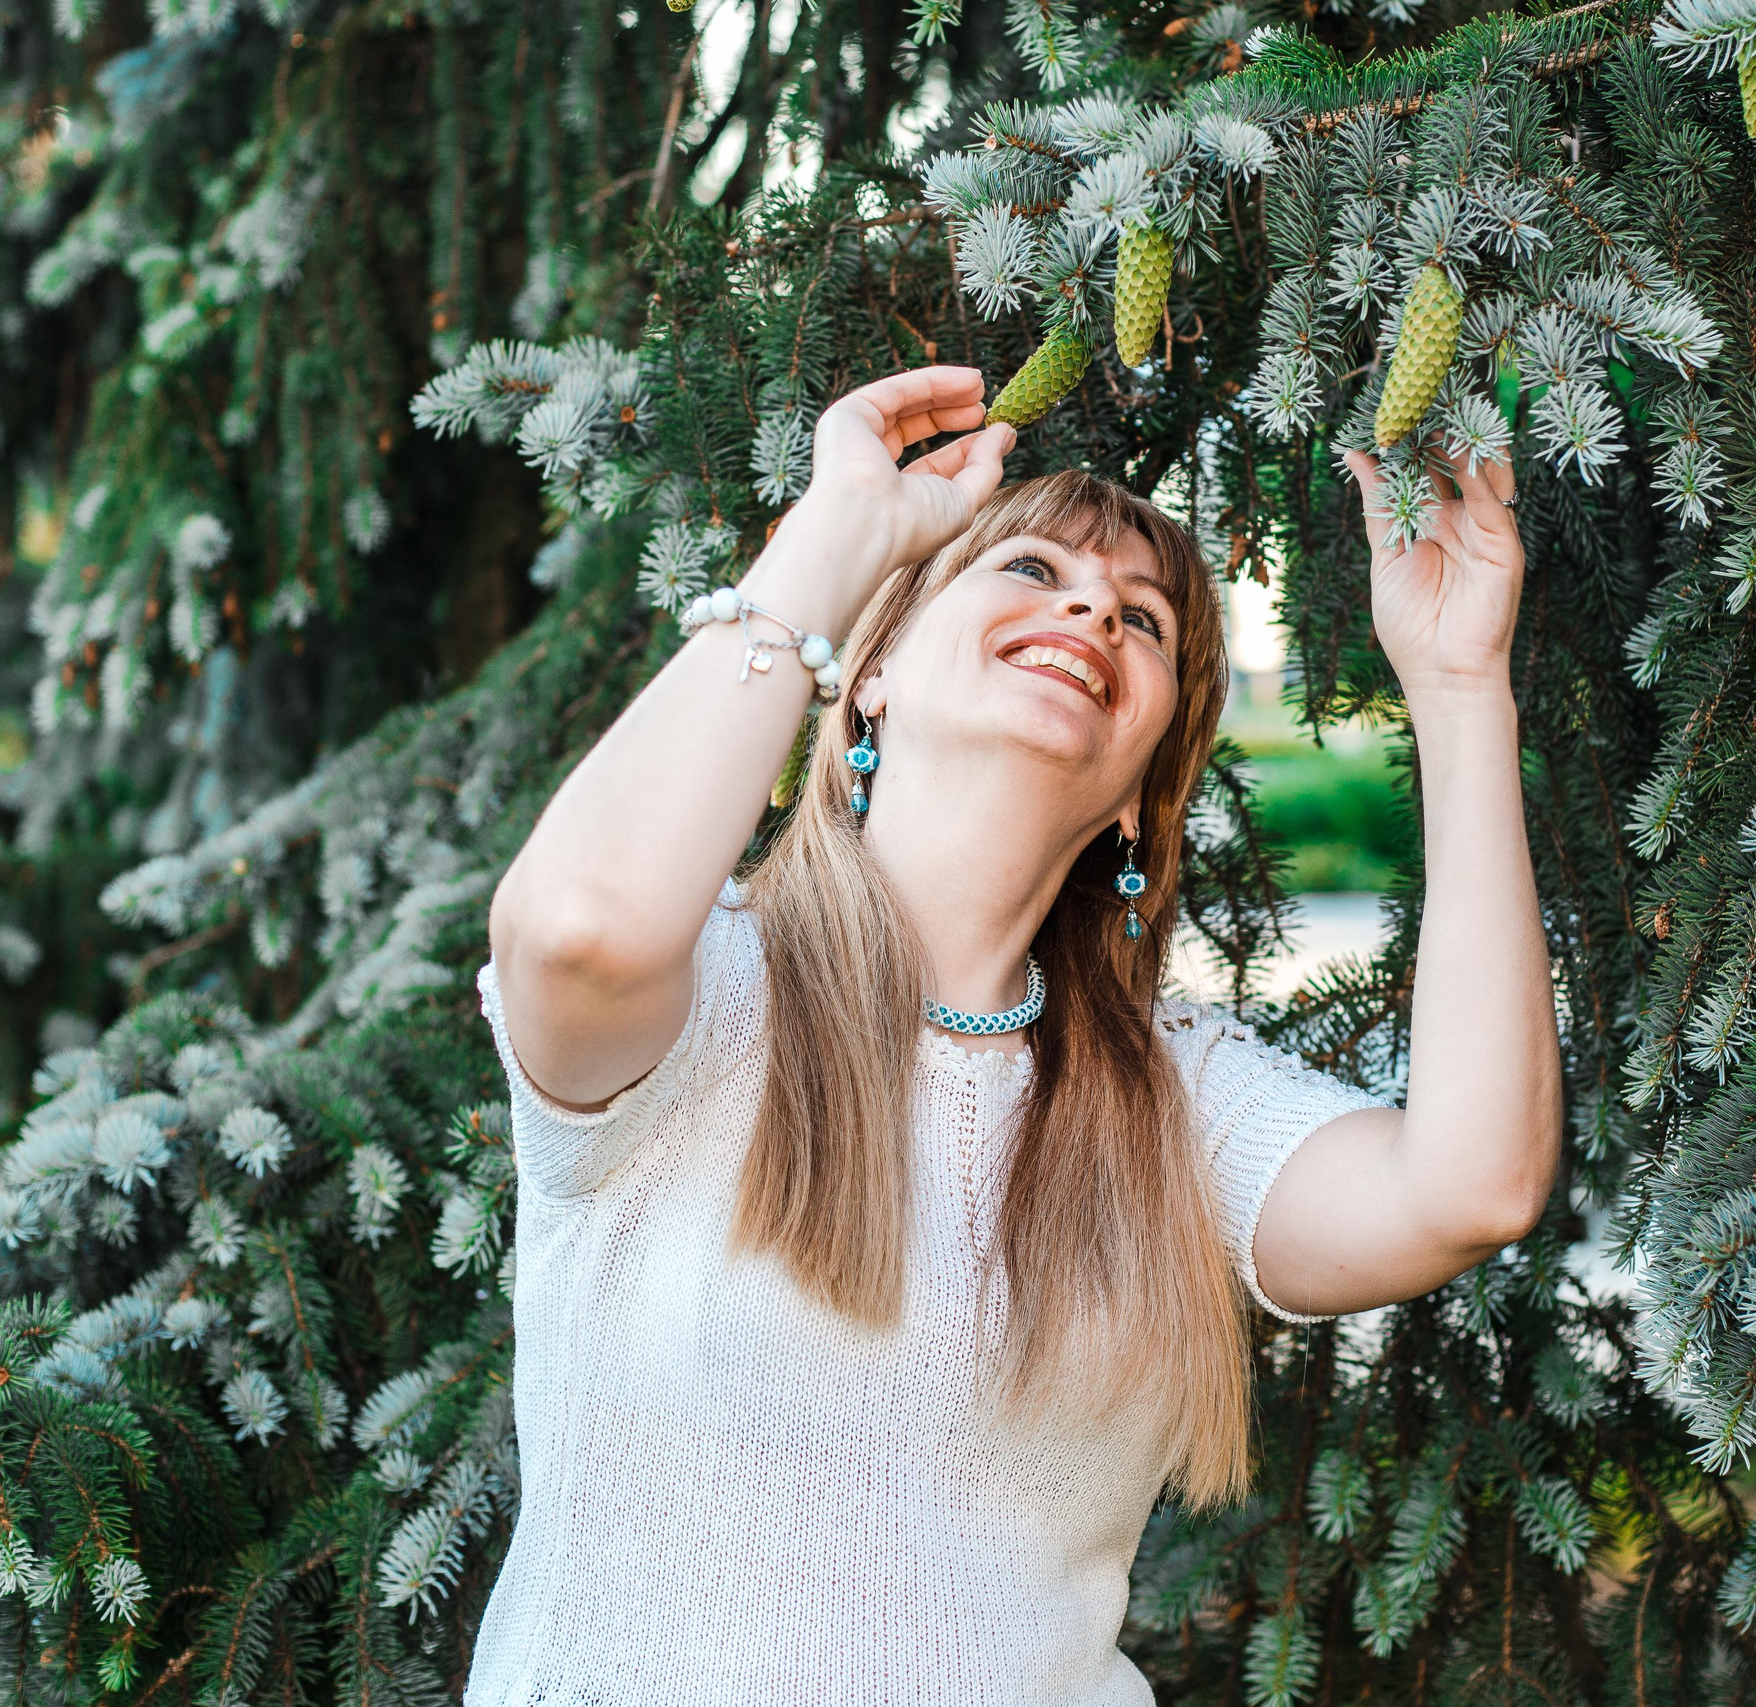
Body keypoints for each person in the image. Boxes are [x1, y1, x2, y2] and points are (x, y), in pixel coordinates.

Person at [467, 366, 1560, 1703]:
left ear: (1136, 796)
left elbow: (1469, 1184)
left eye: (1145, 621)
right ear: (870, 673)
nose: (1093, 608)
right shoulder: (702, 995)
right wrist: (840, 533)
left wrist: (1460, 691)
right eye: (1031, 567)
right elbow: (576, 927)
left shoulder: (1174, 1095)